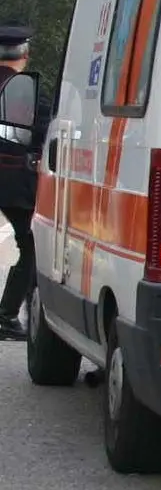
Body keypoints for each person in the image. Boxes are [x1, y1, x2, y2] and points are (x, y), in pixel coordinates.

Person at [0, 25, 42, 340]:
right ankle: (7, 315)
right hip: (14, 181)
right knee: (31, 246)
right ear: (24, 56)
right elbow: (42, 132)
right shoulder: (24, 90)